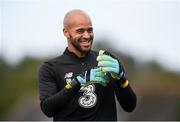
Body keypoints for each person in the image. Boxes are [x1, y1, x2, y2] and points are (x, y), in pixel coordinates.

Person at [38, 9, 137, 121]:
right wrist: (78, 82)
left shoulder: (106, 59)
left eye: (90, 30)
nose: (86, 35)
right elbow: (47, 109)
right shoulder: (50, 68)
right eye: (80, 31)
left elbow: (130, 106)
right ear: (66, 32)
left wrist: (122, 79)